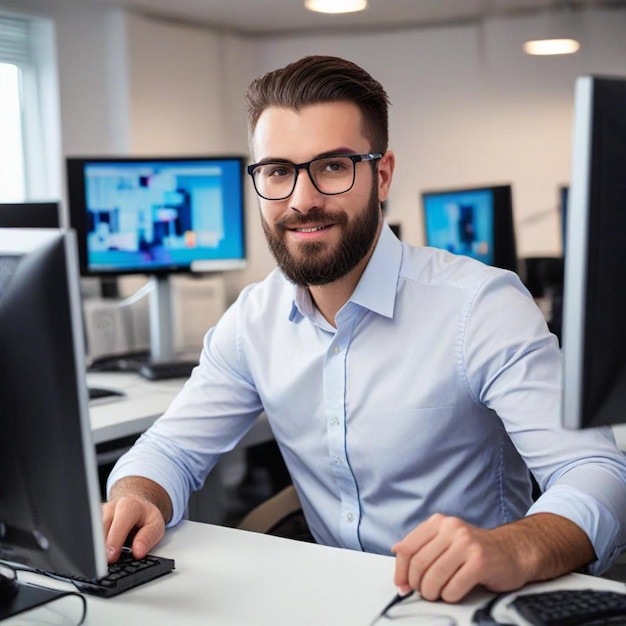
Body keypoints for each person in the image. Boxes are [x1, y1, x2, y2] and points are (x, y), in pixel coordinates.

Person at [103, 55, 626, 603]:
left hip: (464, 603)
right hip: (329, 601)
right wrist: (139, 495)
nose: (301, 200)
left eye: (332, 166)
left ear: (381, 175)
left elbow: (596, 471)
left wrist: (515, 546)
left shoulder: (479, 306)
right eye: (277, 171)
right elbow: (171, 448)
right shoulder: (253, 319)